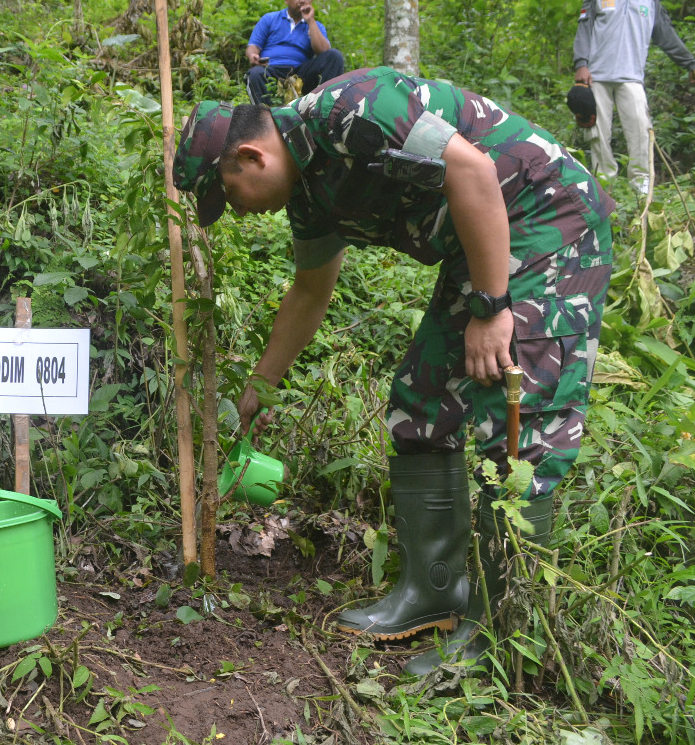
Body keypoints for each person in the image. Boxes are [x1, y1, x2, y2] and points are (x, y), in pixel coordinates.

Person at [173, 67, 613, 673]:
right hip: (478, 244)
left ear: (250, 156)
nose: (238, 213)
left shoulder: (352, 110)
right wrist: (261, 384)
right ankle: (435, 592)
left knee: (519, 423)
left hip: (547, 223)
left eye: (227, 196)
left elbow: (473, 170)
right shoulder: (308, 194)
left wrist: (490, 307)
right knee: (421, 402)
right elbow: (309, 290)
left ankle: (503, 627)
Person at [573, 0, 695, 195]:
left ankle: (641, 189)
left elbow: (667, 38)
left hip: (631, 79)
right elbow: (584, 32)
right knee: (597, 134)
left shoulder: (650, 1)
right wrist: (581, 64)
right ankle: (604, 187)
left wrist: (691, 64)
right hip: (597, 77)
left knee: (641, 132)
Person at [244, 0, 345, 106]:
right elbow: (253, 47)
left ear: (311, 1)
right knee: (255, 74)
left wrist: (310, 21)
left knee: (335, 56)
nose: (302, 0)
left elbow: (325, 52)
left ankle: (325, 108)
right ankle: (268, 117)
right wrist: (253, 56)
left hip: (301, 74)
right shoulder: (269, 19)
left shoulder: (316, 26)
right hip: (271, 69)